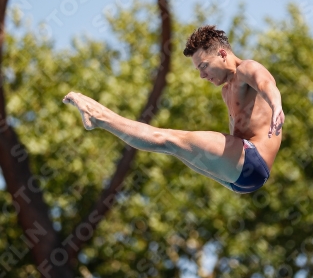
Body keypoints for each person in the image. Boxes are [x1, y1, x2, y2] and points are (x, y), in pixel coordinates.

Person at [63, 25, 284, 194]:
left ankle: (99, 116)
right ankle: (99, 117)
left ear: (223, 54)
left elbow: (266, 85)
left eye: (204, 66)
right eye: (199, 70)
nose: (202, 75)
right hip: (239, 180)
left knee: (168, 139)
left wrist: (276, 106)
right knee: (173, 147)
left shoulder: (247, 68)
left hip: (253, 160)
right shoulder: (226, 91)